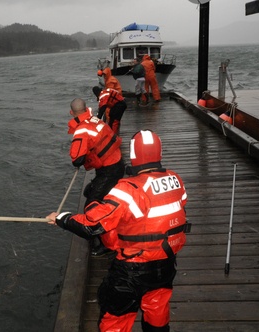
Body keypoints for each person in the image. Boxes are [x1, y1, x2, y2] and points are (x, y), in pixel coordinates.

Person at [47, 129, 190, 332]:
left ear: (133, 155)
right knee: (157, 311)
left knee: (115, 318)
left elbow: (92, 225)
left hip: (132, 270)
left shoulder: (128, 189)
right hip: (165, 264)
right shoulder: (176, 181)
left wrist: (63, 219)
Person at [66, 98, 125, 256]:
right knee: (90, 192)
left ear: (72, 113)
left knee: (91, 207)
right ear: (86, 109)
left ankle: (108, 245)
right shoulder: (95, 119)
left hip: (109, 170)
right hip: (118, 163)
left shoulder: (81, 130)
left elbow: (77, 160)